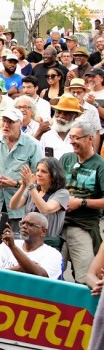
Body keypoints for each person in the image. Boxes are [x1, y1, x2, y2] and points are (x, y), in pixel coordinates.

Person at [0, 107, 42, 259]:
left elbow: (38, 175)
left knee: (16, 245)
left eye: (11, 122)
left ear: (20, 124)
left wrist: (15, 183)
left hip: (18, 205)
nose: (6, 125)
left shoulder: (33, 144)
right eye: (4, 121)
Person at [60, 120, 104, 283]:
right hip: (58, 225)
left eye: (76, 138)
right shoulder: (66, 159)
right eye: (70, 137)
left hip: (83, 226)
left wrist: (81, 203)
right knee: (51, 274)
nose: (72, 141)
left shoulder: (100, 166)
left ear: (90, 138)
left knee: (86, 278)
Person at [9, 157, 69, 247]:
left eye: (44, 172)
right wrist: (23, 186)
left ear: (54, 175)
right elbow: (13, 205)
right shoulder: (33, 189)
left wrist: (30, 185)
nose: (39, 174)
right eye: (37, 170)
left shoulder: (62, 193)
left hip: (48, 242)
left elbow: (45, 209)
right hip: (28, 239)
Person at [0, 212, 63, 279]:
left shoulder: (53, 254)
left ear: (43, 231)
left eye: (30, 225)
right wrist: (18, 268)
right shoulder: (6, 245)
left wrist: (13, 247)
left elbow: (41, 276)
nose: (24, 226)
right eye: (22, 223)